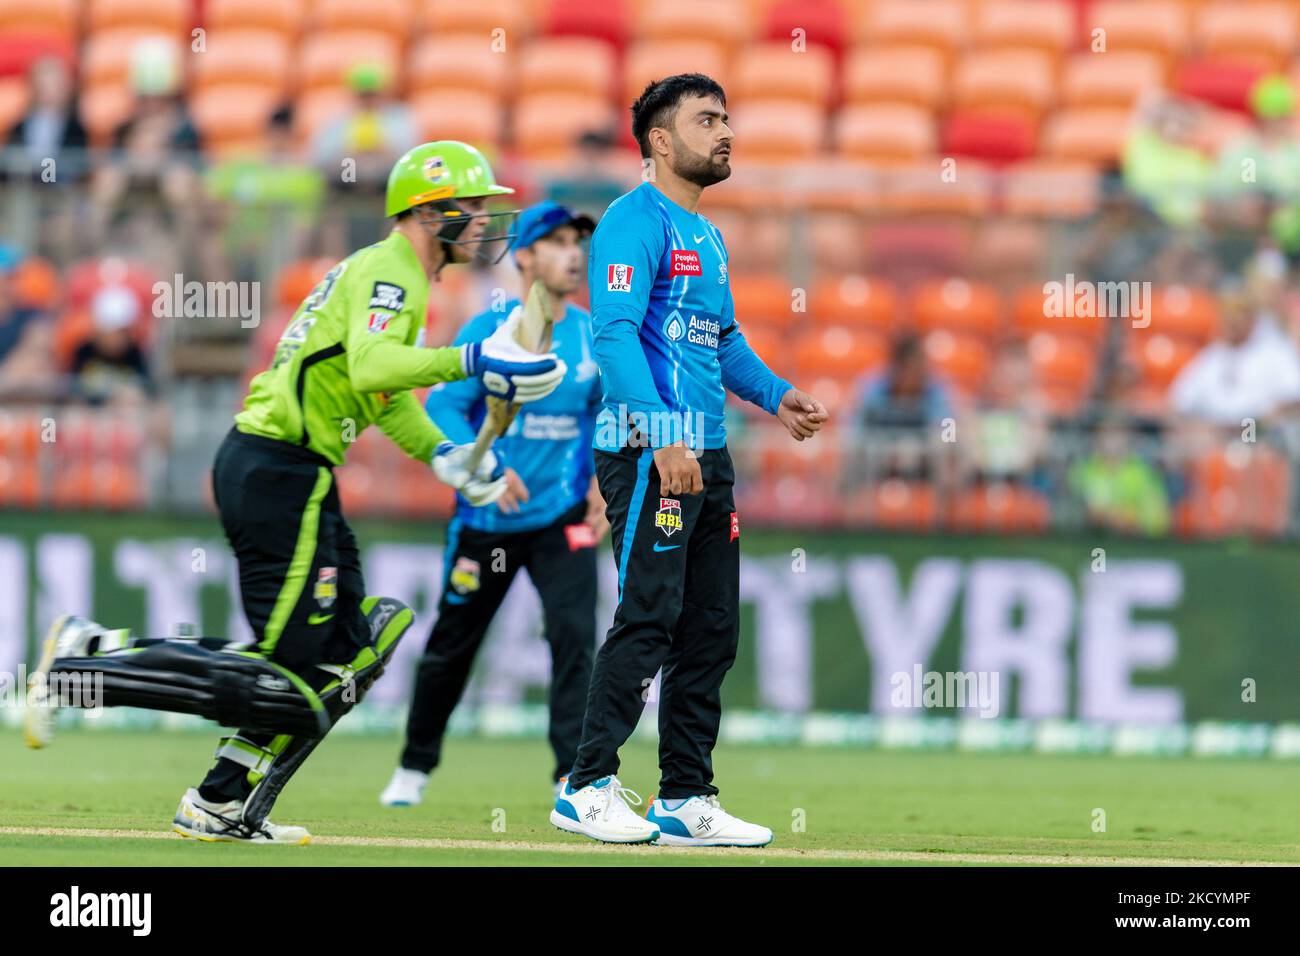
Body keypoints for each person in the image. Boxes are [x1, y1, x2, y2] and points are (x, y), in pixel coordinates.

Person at [25, 142, 567, 844]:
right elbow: (376, 367)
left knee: (346, 650)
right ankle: (84, 665)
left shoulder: (397, 274)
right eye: (473, 208)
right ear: (429, 213)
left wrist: (448, 455)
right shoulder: (392, 272)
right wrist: (473, 357)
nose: (484, 222)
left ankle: (221, 801)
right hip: (278, 469)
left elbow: (382, 393)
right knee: (290, 673)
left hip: (294, 471)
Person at [551, 74, 828, 846]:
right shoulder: (630, 224)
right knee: (650, 615)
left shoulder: (706, 235)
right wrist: (663, 432)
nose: (726, 131)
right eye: (708, 120)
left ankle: (684, 796)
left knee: (711, 628)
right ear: (662, 142)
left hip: (705, 453)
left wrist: (776, 395)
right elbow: (612, 335)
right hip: (651, 452)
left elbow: (721, 338)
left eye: (728, 118)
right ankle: (587, 786)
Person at [380, 200, 606, 808]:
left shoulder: (594, 333)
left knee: (575, 639)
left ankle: (575, 779)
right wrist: (489, 465)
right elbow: (444, 408)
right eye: (557, 242)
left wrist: (603, 489)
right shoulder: (490, 328)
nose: (573, 254)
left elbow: (607, 418)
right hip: (486, 520)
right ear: (526, 255)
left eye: (577, 243)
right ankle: (414, 765)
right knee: (453, 646)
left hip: (562, 517)